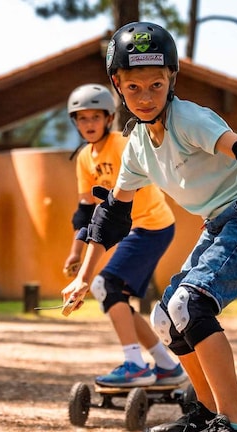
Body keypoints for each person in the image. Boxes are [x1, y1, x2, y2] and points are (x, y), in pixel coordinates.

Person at [62, 22, 237, 432]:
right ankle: (209, 416)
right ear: (118, 87)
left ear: (172, 80)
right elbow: (110, 218)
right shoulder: (135, 149)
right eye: (133, 87)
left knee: (190, 304)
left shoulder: (189, 119)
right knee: (166, 317)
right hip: (220, 221)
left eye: (156, 84)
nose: (146, 96)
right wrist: (83, 278)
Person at [64, 83, 185, 388]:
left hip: (152, 224)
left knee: (106, 285)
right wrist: (76, 252)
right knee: (114, 296)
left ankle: (134, 364)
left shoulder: (122, 144)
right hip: (125, 229)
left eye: (95, 117)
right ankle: (167, 366)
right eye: (82, 119)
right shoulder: (84, 158)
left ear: (108, 118)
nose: (88, 124)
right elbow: (85, 212)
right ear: (75, 123)